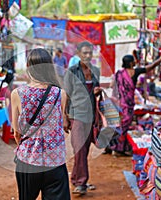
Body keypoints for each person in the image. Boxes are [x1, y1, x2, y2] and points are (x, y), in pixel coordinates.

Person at [11, 48, 70, 200]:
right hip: (54, 161)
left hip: (28, 161)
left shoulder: (17, 93)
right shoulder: (60, 94)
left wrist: (25, 146)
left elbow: (16, 132)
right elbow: (62, 124)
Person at [111, 50, 161, 155]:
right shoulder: (136, 72)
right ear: (130, 63)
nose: (135, 62)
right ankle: (118, 148)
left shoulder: (119, 74)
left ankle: (115, 146)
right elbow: (152, 66)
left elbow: (113, 86)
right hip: (128, 104)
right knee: (124, 126)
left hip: (120, 104)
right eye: (133, 61)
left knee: (119, 125)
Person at [64, 41, 101, 195]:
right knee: (79, 148)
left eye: (89, 53)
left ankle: (75, 177)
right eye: (84, 53)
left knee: (84, 149)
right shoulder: (71, 71)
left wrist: (97, 92)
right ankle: (81, 183)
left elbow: (96, 90)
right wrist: (64, 117)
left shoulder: (95, 71)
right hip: (76, 114)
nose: (87, 56)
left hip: (91, 115)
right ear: (78, 53)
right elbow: (65, 94)